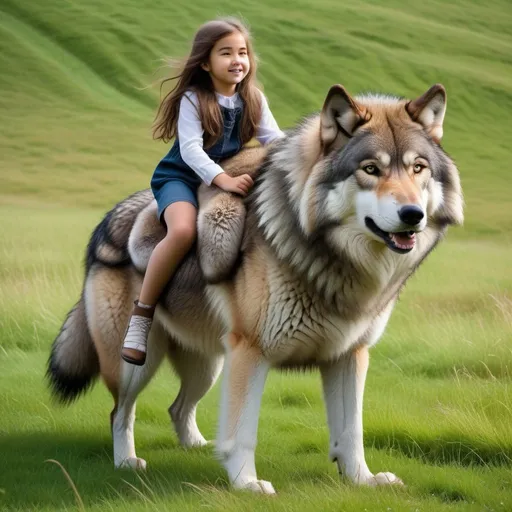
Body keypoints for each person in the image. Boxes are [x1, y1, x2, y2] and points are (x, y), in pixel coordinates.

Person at [121, 17, 284, 366]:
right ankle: (142, 315)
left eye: (243, 52)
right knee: (181, 231)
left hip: (226, 174)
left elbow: (275, 140)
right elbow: (192, 150)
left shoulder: (254, 98)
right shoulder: (194, 99)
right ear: (206, 63)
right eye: (226, 53)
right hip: (180, 176)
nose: (237, 60)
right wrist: (222, 179)